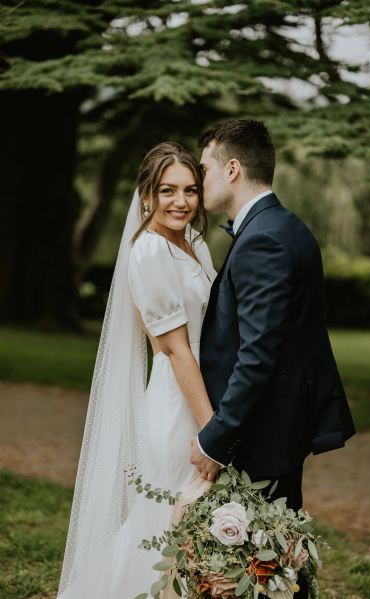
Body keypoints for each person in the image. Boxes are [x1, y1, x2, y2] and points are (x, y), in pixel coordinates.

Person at [189, 119, 356, 599]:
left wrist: (216, 438)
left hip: (265, 428)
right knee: (276, 557)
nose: (201, 181)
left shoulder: (263, 239)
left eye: (205, 169)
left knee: (263, 562)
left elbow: (257, 355)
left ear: (233, 169)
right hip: (280, 420)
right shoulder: (282, 226)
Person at [56, 142, 218, 598]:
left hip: (205, 389)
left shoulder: (194, 242)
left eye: (190, 190)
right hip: (178, 401)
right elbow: (175, 350)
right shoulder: (148, 252)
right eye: (167, 190)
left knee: (187, 525)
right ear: (146, 195)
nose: (180, 202)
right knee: (161, 528)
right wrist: (213, 431)